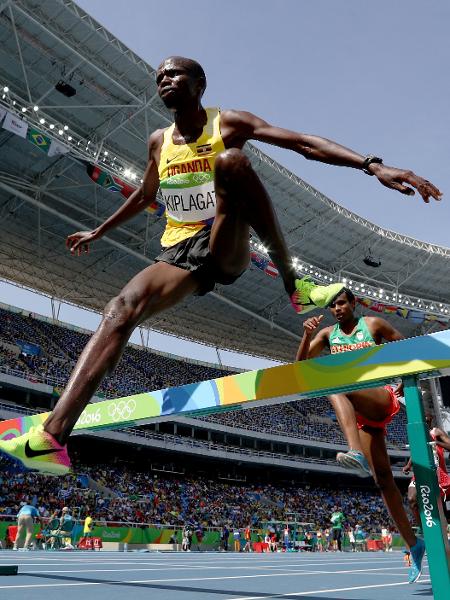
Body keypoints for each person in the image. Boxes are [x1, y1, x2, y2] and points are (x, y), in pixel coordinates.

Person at [0, 56, 441, 477]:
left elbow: (302, 144)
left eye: (174, 74)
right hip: (177, 252)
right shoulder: (158, 141)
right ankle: (54, 438)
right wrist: (99, 231)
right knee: (119, 311)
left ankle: (294, 282)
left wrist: (372, 165)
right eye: (159, 77)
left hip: (224, 242)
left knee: (231, 162)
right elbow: (143, 193)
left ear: (199, 85)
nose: (164, 81)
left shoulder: (228, 123)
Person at [296, 288, 425, 583]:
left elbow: (405, 349)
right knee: (383, 480)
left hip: (379, 397)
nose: (337, 308)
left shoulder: (373, 325)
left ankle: (353, 451)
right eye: (333, 306)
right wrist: (306, 335)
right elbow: (299, 366)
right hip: (362, 416)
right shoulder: (328, 334)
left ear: (354, 303)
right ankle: (414, 545)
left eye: (341, 303)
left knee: (332, 380)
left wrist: (404, 383)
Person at [403, 416, 450, 525]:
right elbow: (416, 450)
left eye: (427, 419)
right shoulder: (417, 436)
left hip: (437, 473)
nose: (424, 420)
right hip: (420, 472)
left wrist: (436, 443)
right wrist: (408, 465)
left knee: (439, 501)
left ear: (430, 420)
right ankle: (422, 529)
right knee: (411, 499)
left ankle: (443, 521)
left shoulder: (436, 432)